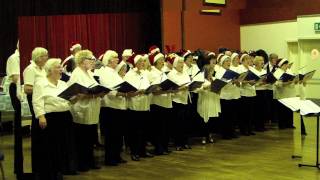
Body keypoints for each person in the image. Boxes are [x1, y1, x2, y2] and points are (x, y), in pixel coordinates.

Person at [32, 58, 77, 179]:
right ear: (50, 70)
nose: (61, 69)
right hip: (50, 118)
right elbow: (37, 102)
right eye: (58, 67)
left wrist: (78, 97)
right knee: (51, 147)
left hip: (65, 117)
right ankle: (49, 173)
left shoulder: (63, 84)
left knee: (63, 146)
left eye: (60, 67)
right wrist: (41, 117)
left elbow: (69, 101)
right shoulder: (41, 83)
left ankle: (60, 170)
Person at [67, 49, 102, 171]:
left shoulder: (89, 73)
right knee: (82, 139)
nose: (93, 61)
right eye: (91, 59)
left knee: (90, 138)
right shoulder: (77, 73)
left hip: (91, 109)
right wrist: (93, 94)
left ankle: (90, 161)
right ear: (82, 61)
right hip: (81, 110)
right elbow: (77, 92)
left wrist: (99, 92)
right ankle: (82, 163)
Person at [97, 50, 127, 166]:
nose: (118, 59)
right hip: (110, 107)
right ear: (109, 60)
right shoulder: (104, 72)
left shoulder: (114, 72)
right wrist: (123, 93)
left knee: (118, 133)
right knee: (111, 134)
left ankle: (117, 155)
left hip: (119, 106)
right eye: (115, 57)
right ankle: (110, 158)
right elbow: (109, 89)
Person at [23, 47, 48, 172]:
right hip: (34, 100)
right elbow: (27, 89)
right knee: (38, 126)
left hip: (43, 100)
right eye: (45, 56)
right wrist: (44, 91)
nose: (47, 58)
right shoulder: (30, 69)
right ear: (38, 57)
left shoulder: (43, 69)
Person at [124, 54, 152, 161]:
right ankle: (134, 152)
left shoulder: (145, 73)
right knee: (135, 131)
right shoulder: (130, 74)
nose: (143, 63)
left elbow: (147, 85)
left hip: (144, 104)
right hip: (134, 105)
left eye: (144, 61)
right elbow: (128, 90)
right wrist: (138, 91)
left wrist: (149, 90)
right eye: (141, 61)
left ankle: (142, 151)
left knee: (144, 130)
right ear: (136, 63)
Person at [148, 52, 172, 155]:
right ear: (156, 62)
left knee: (166, 127)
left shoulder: (164, 72)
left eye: (163, 60)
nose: (163, 62)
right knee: (158, 127)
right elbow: (154, 89)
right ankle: (159, 148)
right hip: (157, 103)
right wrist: (164, 89)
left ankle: (165, 146)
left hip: (166, 101)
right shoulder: (152, 73)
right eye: (161, 60)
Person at [167, 56, 191, 150]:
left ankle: (185, 142)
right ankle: (178, 143)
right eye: (180, 63)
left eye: (182, 62)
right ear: (175, 64)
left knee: (185, 123)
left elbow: (188, 83)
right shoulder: (171, 74)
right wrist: (181, 87)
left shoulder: (184, 73)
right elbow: (171, 88)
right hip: (176, 101)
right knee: (177, 124)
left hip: (185, 99)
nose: (182, 64)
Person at [215, 55, 240, 139]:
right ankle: (225, 133)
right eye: (226, 61)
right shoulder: (219, 71)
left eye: (229, 61)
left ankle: (232, 131)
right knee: (225, 116)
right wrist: (228, 80)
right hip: (224, 96)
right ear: (222, 63)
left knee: (232, 115)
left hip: (233, 95)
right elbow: (216, 85)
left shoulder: (231, 71)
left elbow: (238, 84)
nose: (228, 63)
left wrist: (236, 81)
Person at [273, 58, 297, 129]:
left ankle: (290, 123)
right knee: (282, 110)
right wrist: (286, 83)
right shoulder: (277, 72)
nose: (287, 66)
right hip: (282, 94)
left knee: (289, 109)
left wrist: (295, 81)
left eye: (287, 64)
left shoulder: (289, 71)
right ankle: (282, 125)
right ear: (281, 65)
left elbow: (292, 79)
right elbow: (276, 83)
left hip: (290, 94)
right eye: (285, 64)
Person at [238, 54, 256, 136]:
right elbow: (239, 81)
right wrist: (248, 82)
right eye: (247, 59)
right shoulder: (240, 68)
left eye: (249, 59)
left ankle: (249, 129)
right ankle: (243, 130)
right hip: (244, 93)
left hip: (251, 92)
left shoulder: (252, 68)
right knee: (244, 113)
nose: (249, 61)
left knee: (250, 113)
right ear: (243, 60)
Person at [252, 56, 268, 131]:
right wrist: (258, 84)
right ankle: (257, 126)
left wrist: (267, 83)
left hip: (264, 91)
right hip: (256, 92)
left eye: (263, 60)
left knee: (263, 109)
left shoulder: (264, 71)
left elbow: (266, 81)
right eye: (260, 60)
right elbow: (252, 83)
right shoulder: (253, 71)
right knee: (257, 110)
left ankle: (262, 125)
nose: (262, 62)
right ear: (256, 62)